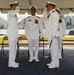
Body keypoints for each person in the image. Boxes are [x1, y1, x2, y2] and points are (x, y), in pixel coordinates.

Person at [44, 1, 60, 68]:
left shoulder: (54, 14)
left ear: (51, 6)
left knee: (54, 49)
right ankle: (54, 62)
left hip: (52, 35)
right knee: (53, 49)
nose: (47, 8)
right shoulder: (50, 14)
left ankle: (55, 63)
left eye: (47, 6)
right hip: (50, 34)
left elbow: (55, 25)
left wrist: (53, 34)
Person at [7, 1, 20, 68]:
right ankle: (11, 63)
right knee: (12, 49)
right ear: (12, 6)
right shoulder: (10, 12)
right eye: (15, 5)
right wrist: (17, 9)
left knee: (14, 48)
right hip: (11, 33)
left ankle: (13, 61)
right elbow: (13, 13)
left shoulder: (15, 14)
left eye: (16, 5)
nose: (16, 7)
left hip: (14, 33)